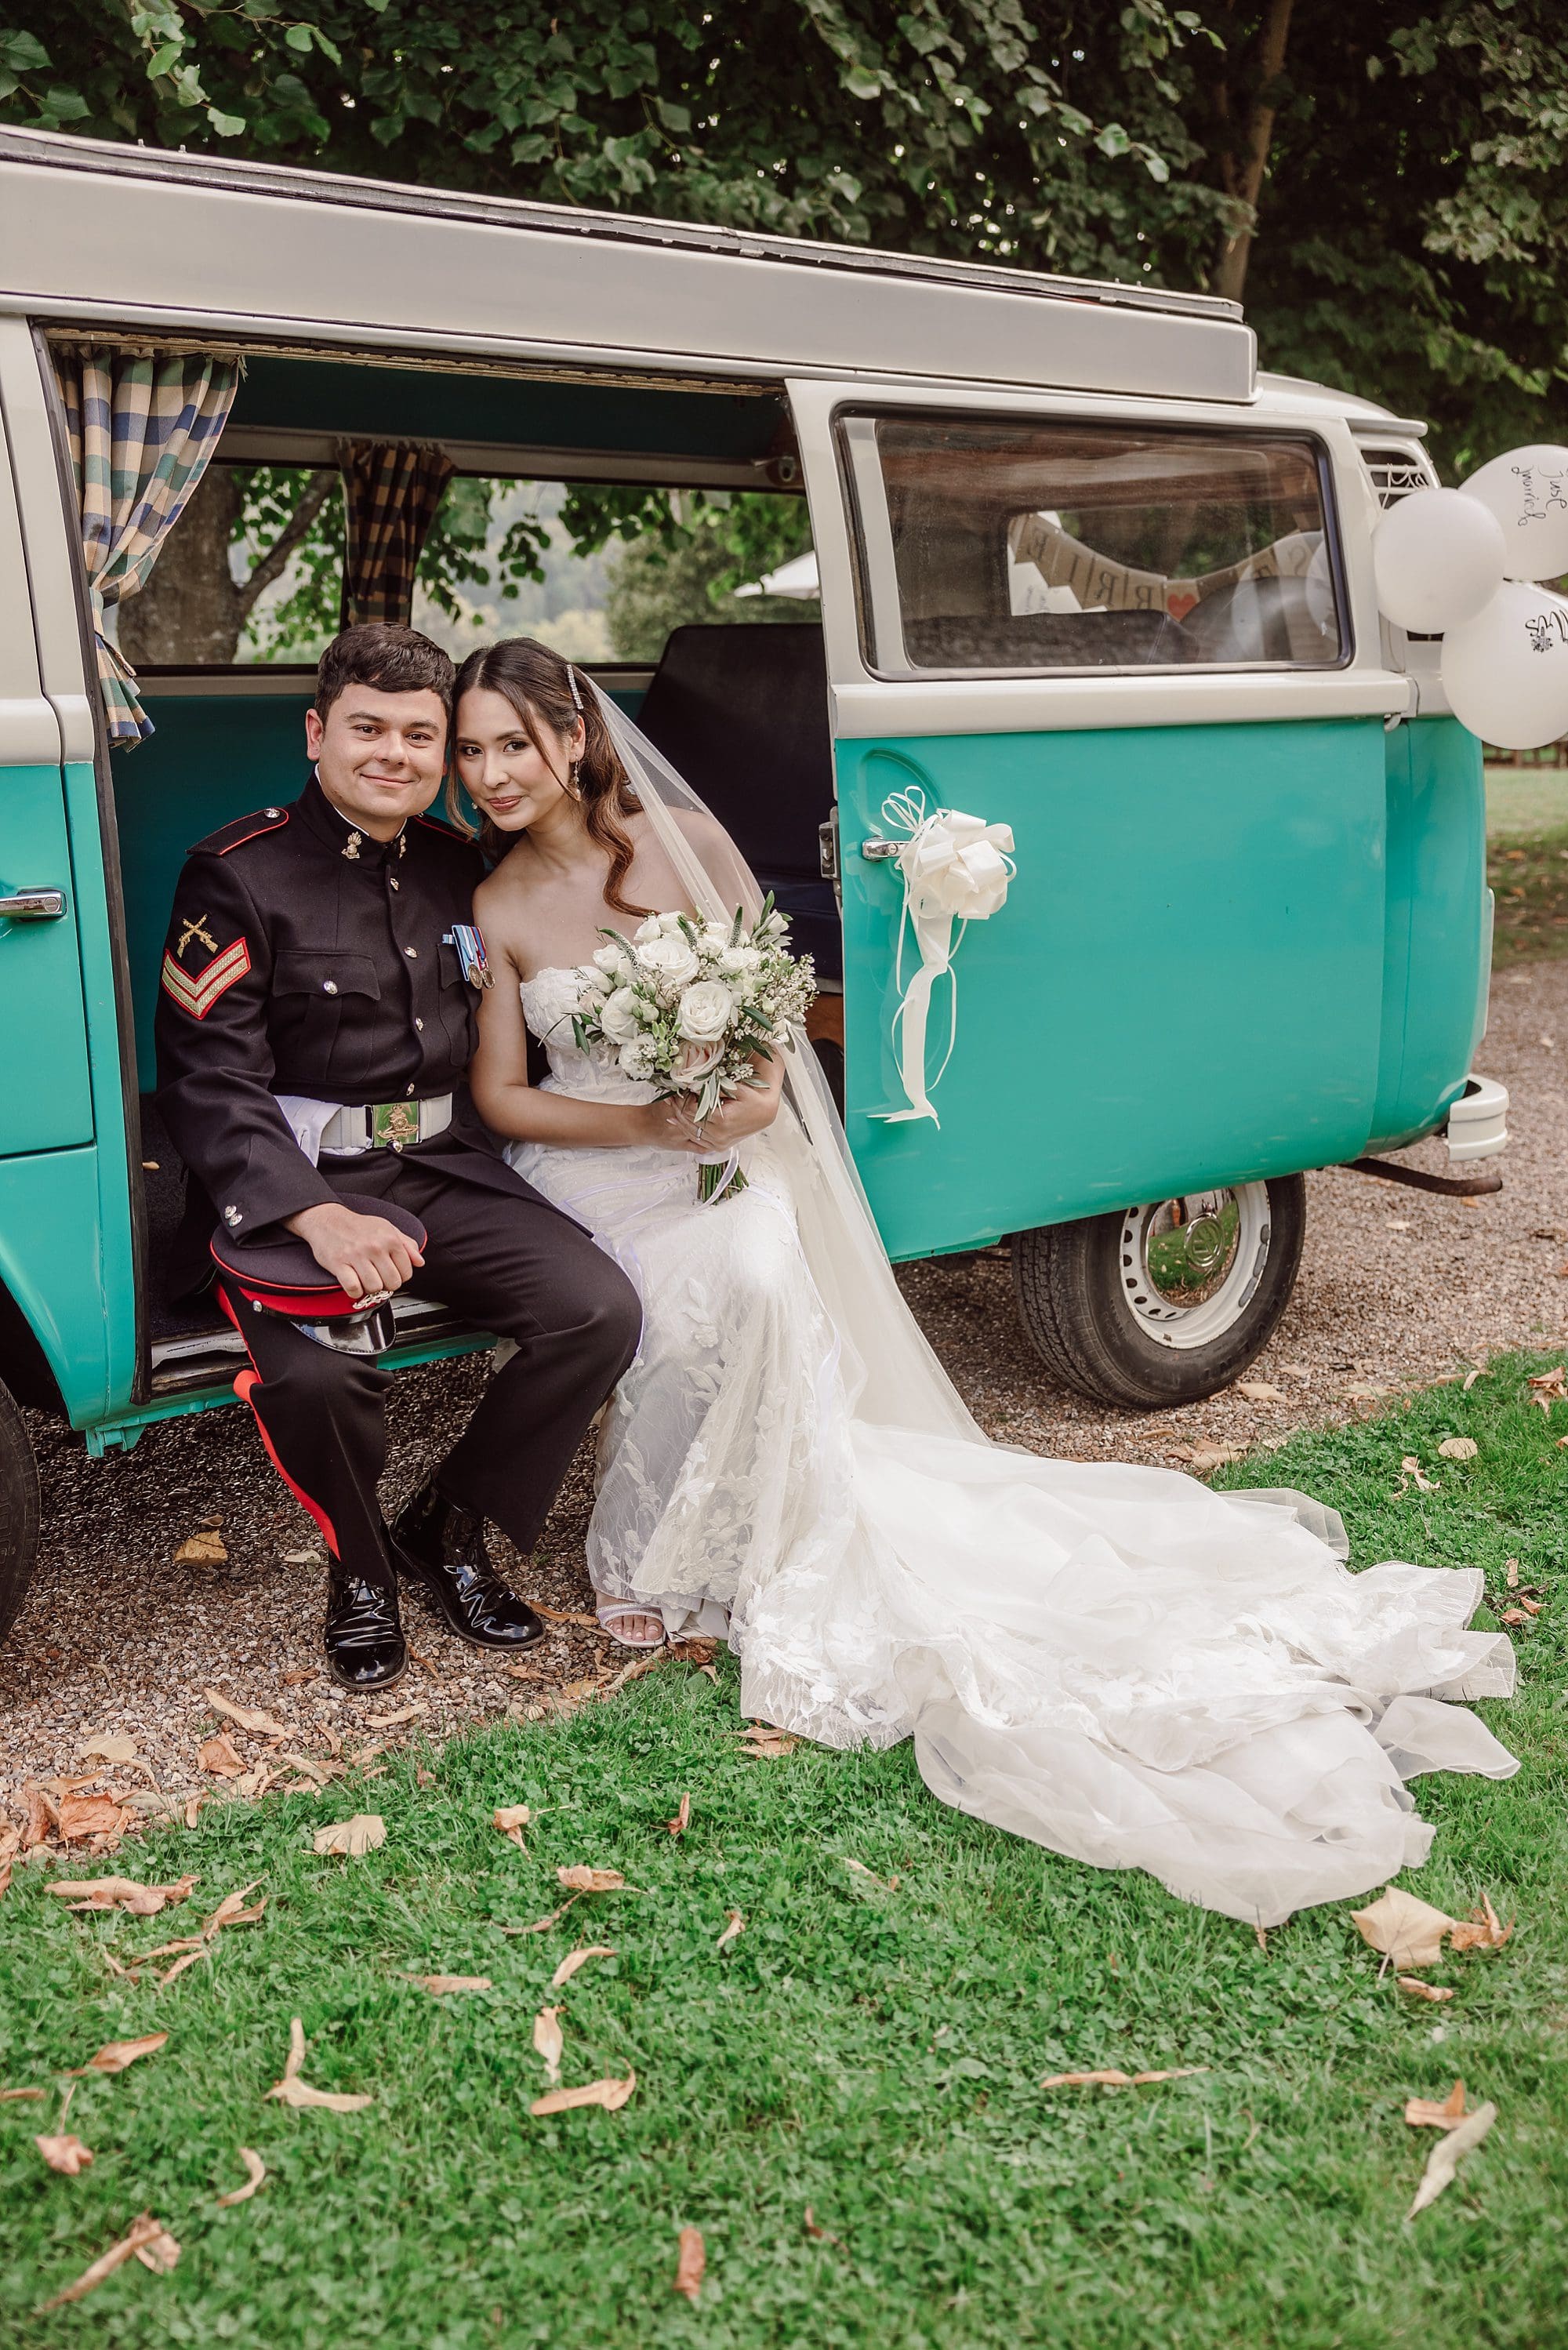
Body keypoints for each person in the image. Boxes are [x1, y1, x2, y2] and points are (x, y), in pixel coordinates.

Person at [458, 635, 1518, 1929]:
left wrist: (739, 1097)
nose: (491, 772)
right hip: (594, 1167)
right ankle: (645, 1557)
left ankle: (734, 1541)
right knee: (679, 1296)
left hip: (721, 1154)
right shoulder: (497, 902)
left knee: (762, 1265)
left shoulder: (687, 846)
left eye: (513, 743)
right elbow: (504, 1094)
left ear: (574, 737)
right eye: (472, 750)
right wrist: (645, 1125)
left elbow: (769, 1020)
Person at [154, 624, 642, 1693]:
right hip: (302, 1181)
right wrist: (310, 1214)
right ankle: (362, 1570)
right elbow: (206, 1079)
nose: (396, 754)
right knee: (320, 1372)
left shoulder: (460, 866)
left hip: (444, 1165)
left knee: (597, 1310)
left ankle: (446, 1528)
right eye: (368, 728)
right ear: (316, 733)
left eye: (422, 736)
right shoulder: (237, 874)